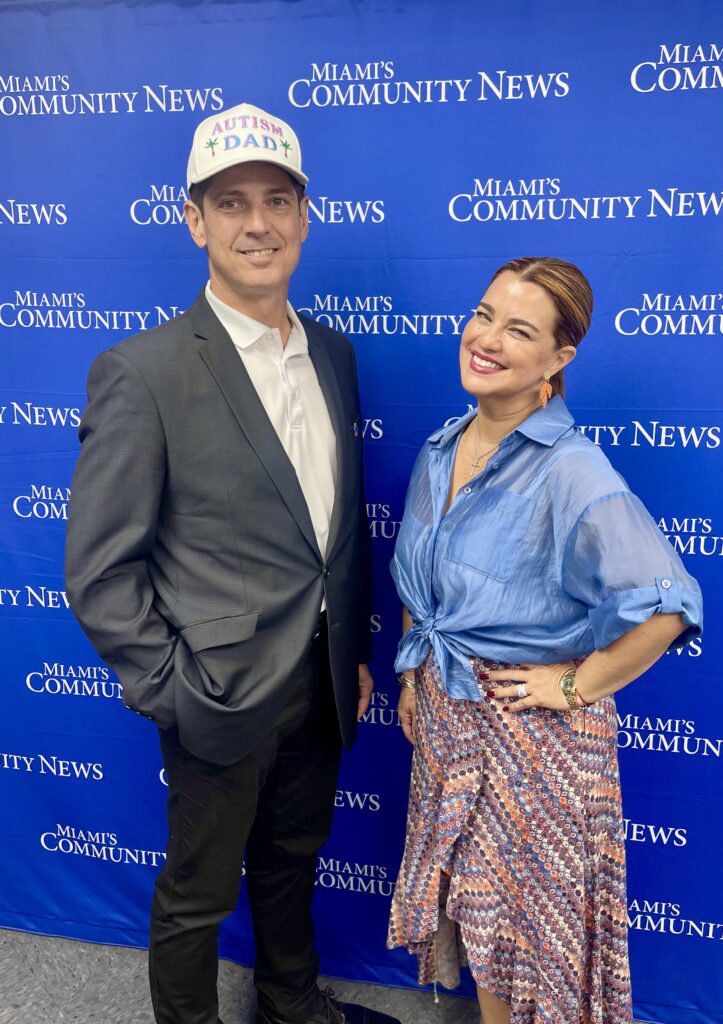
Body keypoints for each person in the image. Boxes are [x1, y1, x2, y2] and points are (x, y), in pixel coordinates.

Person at [66, 101, 397, 1024]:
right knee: (197, 895)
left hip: (322, 686)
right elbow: (98, 570)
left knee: (293, 859)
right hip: (213, 692)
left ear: (303, 213)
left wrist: (353, 651)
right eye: (232, 202)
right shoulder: (142, 371)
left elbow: (334, 530)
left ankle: (291, 1005)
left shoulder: (331, 352)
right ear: (195, 220)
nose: (258, 223)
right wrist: (176, 688)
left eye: (277, 200)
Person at [386, 257, 703, 1024]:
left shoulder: (570, 468)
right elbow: (418, 589)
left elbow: (669, 604)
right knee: (478, 926)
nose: (486, 338)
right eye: (483, 313)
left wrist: (572, 686)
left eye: (518, 330)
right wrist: (409, 680)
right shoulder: (440, 448)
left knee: (522, 945)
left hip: (532, 746)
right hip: (450, 724)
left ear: (559, 360)